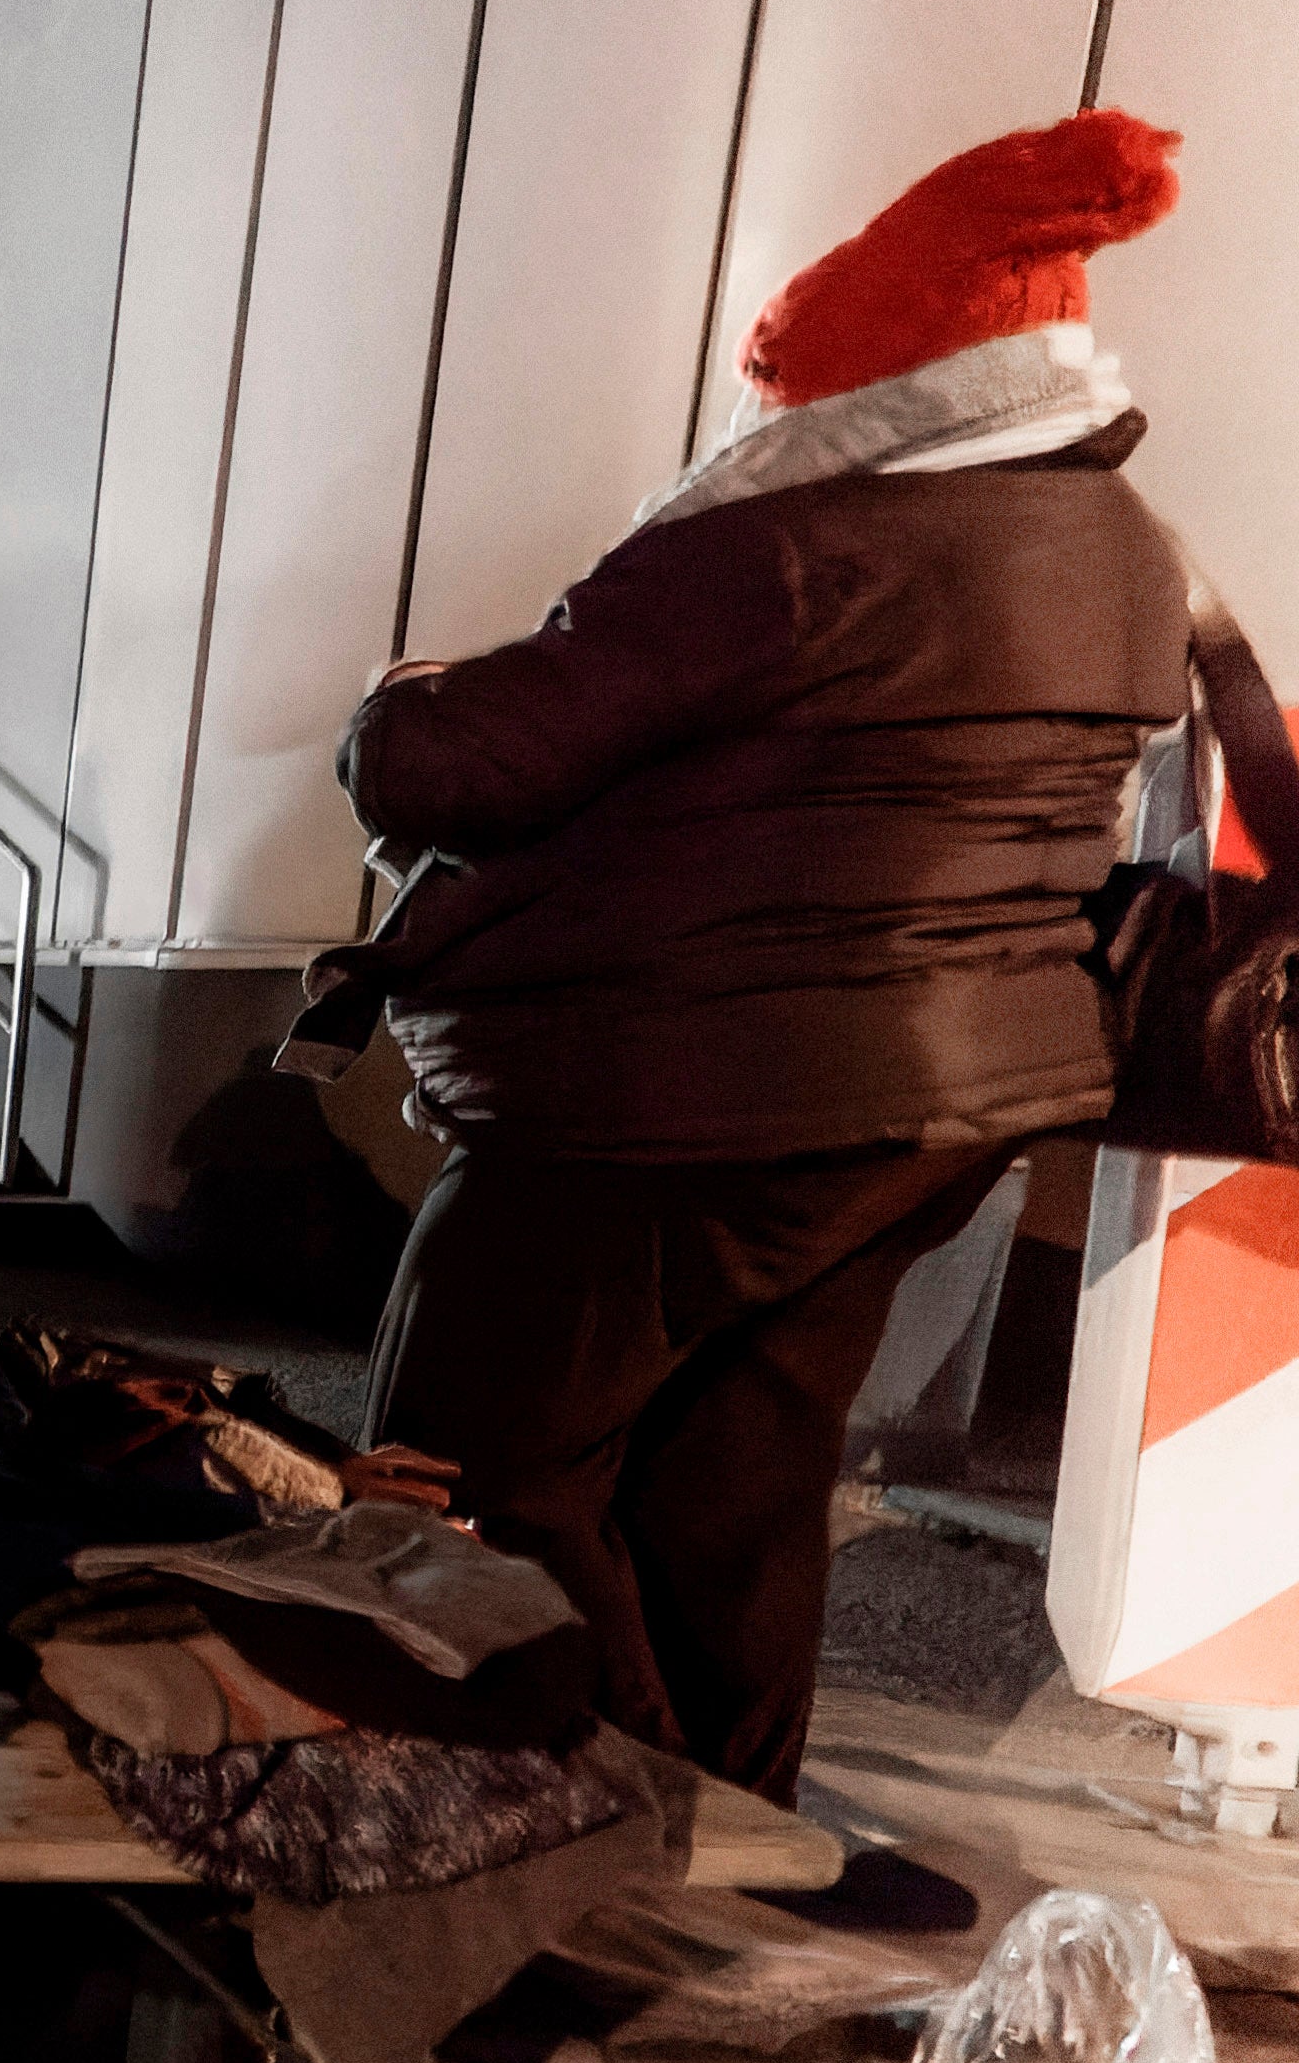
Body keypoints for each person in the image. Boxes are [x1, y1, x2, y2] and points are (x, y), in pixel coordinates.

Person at [323, 110, 1194, 1805]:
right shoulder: (1123, 550)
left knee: (480, 1459)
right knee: (734, 1475)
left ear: (865, 392)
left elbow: (448, 767)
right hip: (942, 1102)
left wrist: (395, 695)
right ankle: (731, 1841)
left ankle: (580, 1827)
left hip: (677, 1091)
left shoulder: (784, 549)